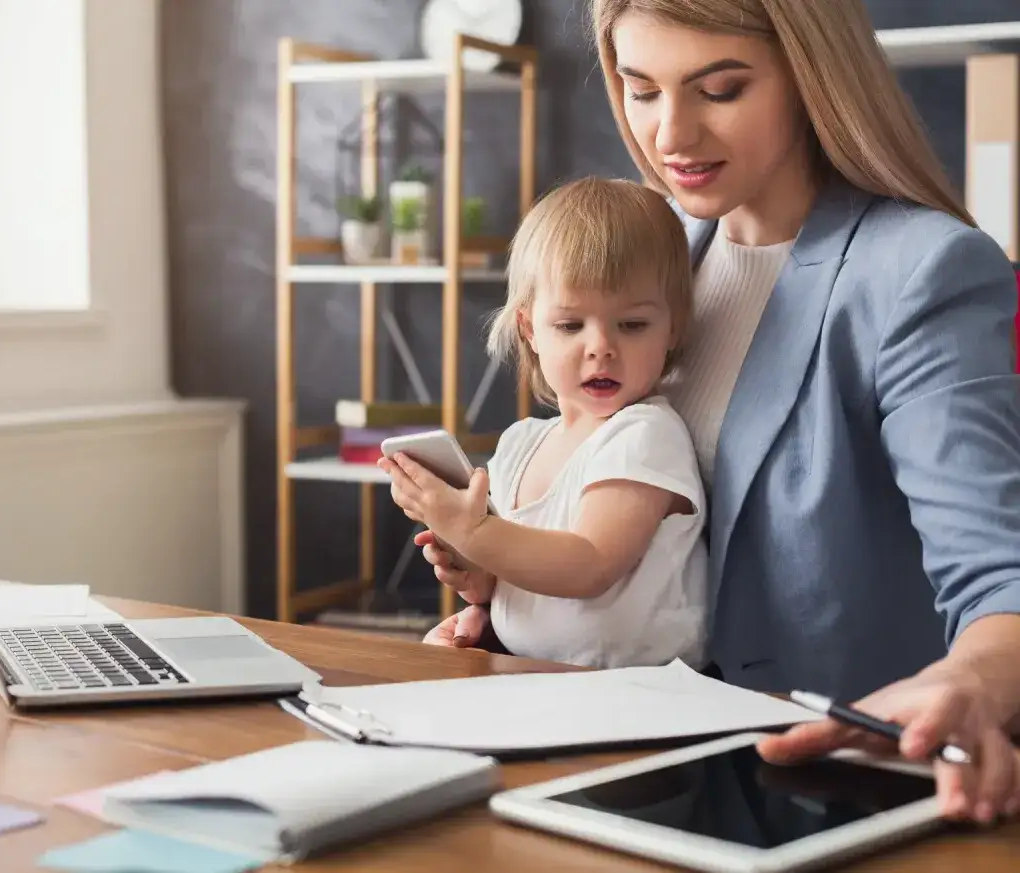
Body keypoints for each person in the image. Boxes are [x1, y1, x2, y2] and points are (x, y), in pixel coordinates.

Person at [429, 0, 1020, 824]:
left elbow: (1000, 574)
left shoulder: (918, 272)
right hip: (624, 773)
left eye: (720, 89)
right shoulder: (649, 257)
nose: (671, 134)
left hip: (823, 792)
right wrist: (506, 597)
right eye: (640, 90)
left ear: (812, 76)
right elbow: (635, 529)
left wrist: (972, 679)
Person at [379, 176, 709, 670]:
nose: (600, 347)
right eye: (571, 325)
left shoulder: (644, 435)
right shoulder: (521, 444)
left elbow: (588, 565)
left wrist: (473, 533)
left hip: (637, 697)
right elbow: (521, 575)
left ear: (673, 326)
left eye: (632, 324)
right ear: (530, 329)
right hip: (536, 677)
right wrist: (476, 581)